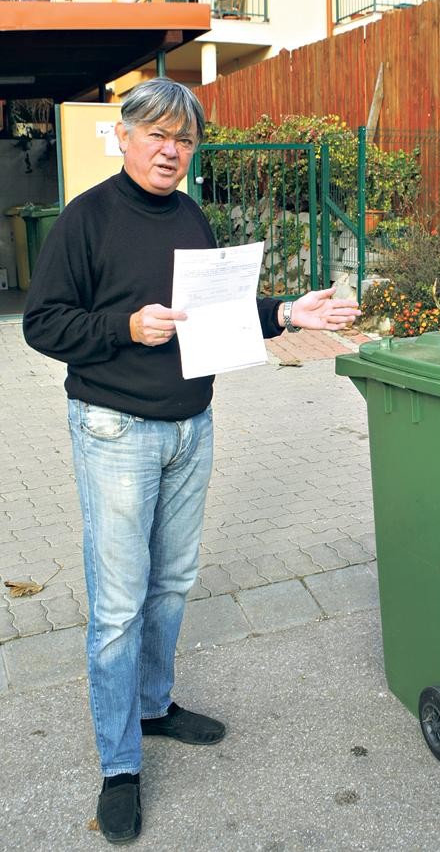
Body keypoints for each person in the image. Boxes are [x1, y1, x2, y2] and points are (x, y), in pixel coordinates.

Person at [22, 77, 360, 844]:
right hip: (113, 429)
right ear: (126, 137)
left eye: (183, 139)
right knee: (117, 604)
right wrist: (123, 327)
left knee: (171, 582)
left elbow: (214, 318)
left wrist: (284, 313)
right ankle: (119, 765)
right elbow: (41, 324)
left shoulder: (193, 217)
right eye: (157, 134)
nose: (170, 149)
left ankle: (153, 705)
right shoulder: (86, 219)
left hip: (189, 428)